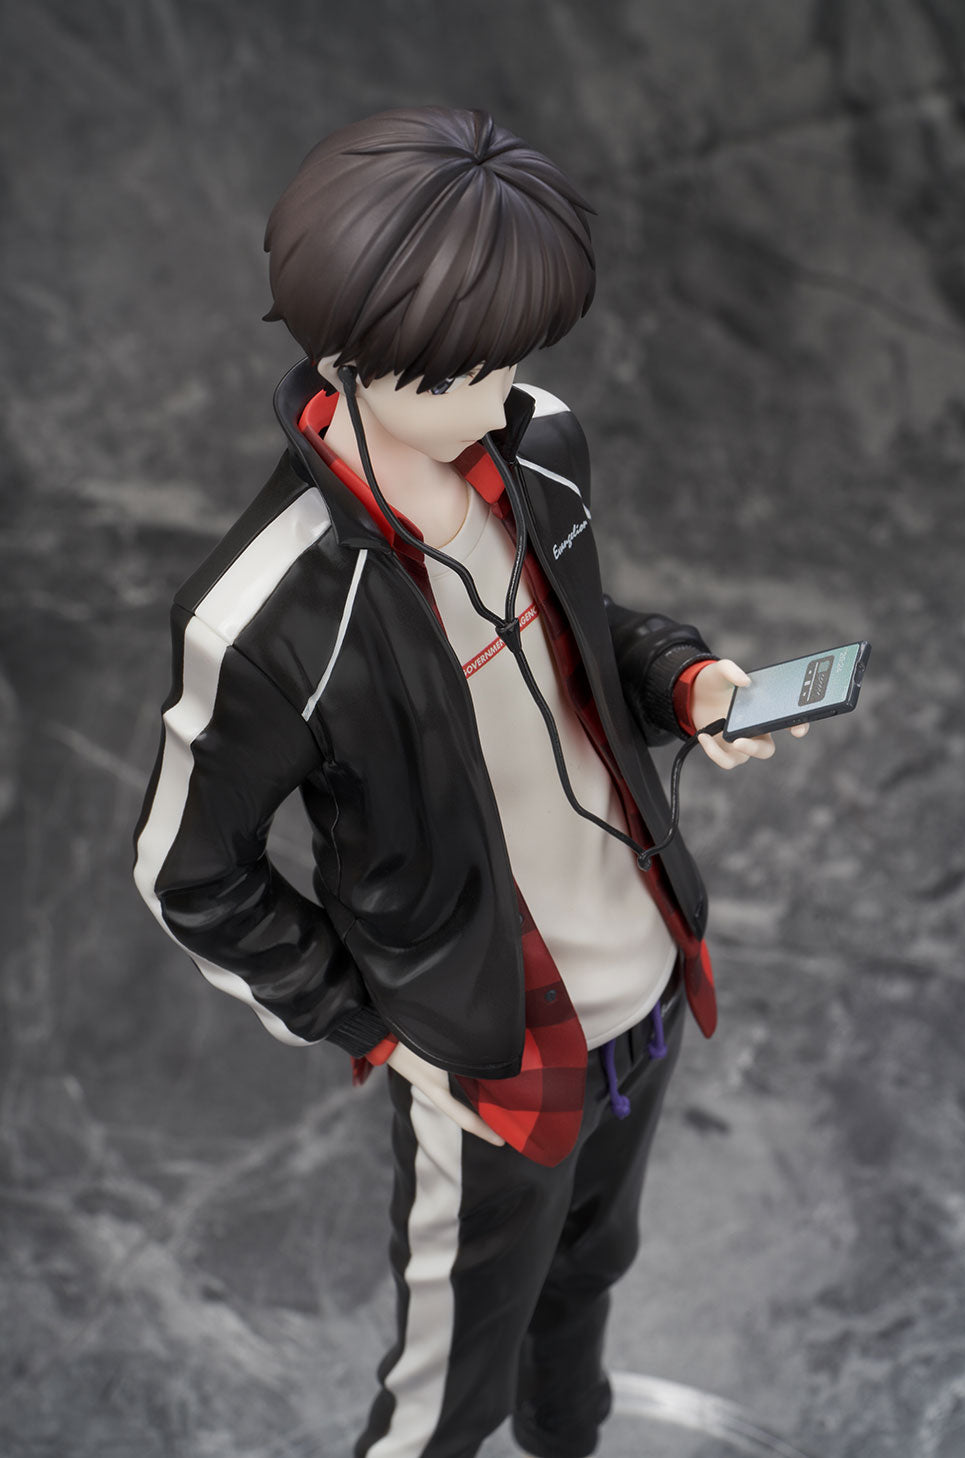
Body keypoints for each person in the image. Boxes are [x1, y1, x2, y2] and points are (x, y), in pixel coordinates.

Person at [133, 106, 806, 1458]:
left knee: (585, 1292)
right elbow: (187, 872)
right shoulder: (271, 612)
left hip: (645, 981)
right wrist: (380, 1028)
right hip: (496, 1051)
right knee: (447, 1393)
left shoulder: (535, 441)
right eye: (458, 374)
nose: (495, 398)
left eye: (511, 360)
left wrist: (686, 682)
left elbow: (582, 633)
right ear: (346, 353)